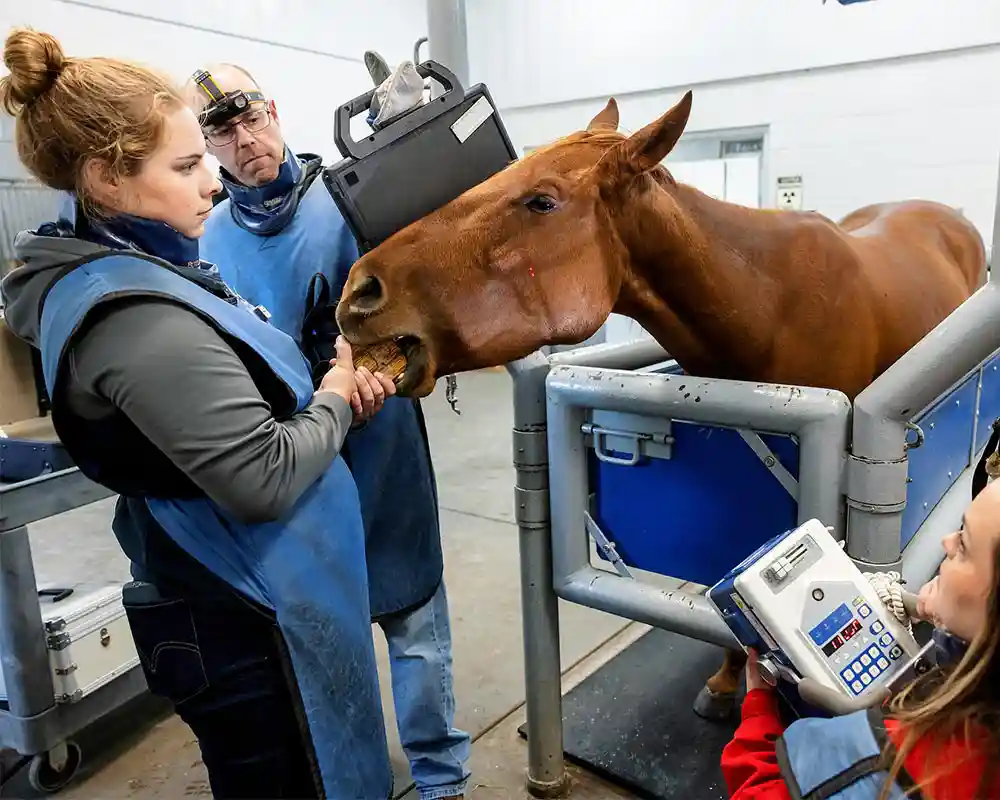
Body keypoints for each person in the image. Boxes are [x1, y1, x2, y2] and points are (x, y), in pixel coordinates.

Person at [0, 28, 399, 799]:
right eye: (186, 167)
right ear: (106, 181)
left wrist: (317, 390)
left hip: (255, 595)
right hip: (245, 618)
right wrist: (338, 399)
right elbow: (262, 474)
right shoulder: (132, 317)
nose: (212, 184)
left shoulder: (140, 272)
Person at [184, 59, 472, 800]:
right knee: (320, 644)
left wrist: (373, 373)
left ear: (275, 112)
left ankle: (442, 782)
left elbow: (414, 289)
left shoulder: (347, 201)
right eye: (225, 130)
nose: (247, 139)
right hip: (293, 459)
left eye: (253, 118)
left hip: (380, 441)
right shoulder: (210, 238)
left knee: (415, 628)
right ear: (208, 145)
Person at [721, 479, 1000, 799]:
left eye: (964, 546)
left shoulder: (882, 765)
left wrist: (757, 708)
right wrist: (951, 621)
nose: (947, 541)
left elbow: (756, 793)